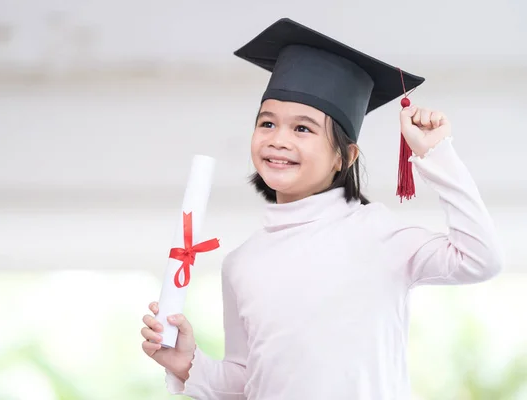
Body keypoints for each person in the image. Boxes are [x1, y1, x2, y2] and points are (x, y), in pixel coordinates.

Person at [140, 18, 503, 399]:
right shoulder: (241, 263)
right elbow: (249, 379)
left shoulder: (376, 233)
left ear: (343, 156)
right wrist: (188, 362)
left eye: (302, 129)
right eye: (267, 123)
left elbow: (481, 258)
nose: (278, 139)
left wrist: (436, 155)